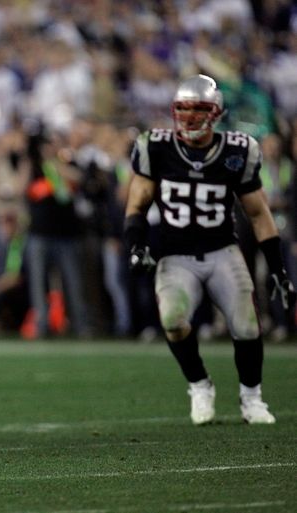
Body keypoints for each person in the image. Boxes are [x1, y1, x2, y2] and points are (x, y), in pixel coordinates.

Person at [124, 74, 295, 425]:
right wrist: (137, 246)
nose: (189, 117)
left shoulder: (237, 150)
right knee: (172, 320)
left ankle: (252, 398)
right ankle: (200, 384)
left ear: (215, 112)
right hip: (175, 254)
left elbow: (259, 214)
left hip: (221, 249)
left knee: (246, 324)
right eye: (182, 109)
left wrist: (277, 267)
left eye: (198, 109)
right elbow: (137, 204)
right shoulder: (154, 146)